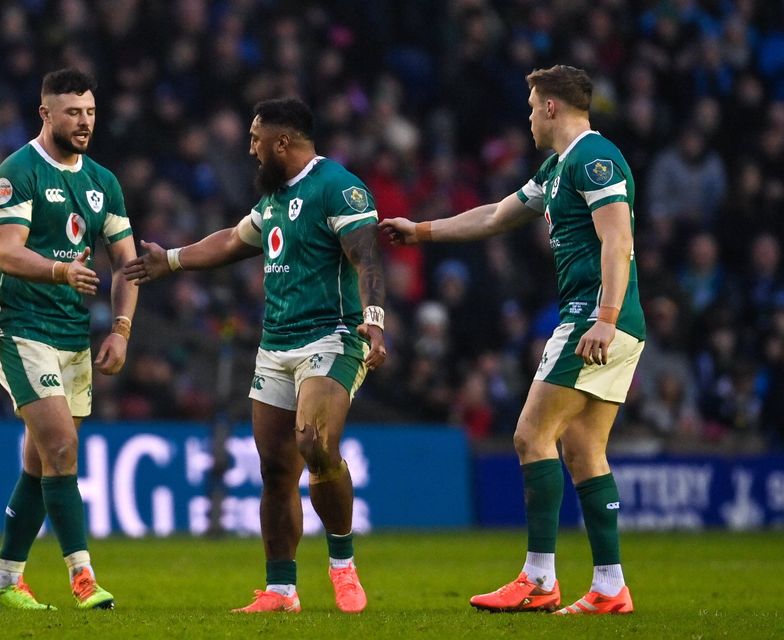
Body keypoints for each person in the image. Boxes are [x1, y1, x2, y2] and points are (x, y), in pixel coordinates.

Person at [381, 65, 645, 616]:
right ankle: (609, 587)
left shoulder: (595, 159)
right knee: (582, 449)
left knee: (530, 436)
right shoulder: (556, 169)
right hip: (606, 319)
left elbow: (617, 240)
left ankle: (539, 578)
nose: (527, 117)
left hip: (593, 318)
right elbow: (496, 216)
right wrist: (421, 230)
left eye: (531, 106)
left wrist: (604, 316)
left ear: (551, 106)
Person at [124, 97, 387, 614]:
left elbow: (366, 255)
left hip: (332, 335)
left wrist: (374, 320)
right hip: (276, 344)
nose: (249, 148)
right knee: (275, 469)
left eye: (255, 139)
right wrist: (172, 260)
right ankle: (281, 590)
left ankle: (342, 565)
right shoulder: (271, 201)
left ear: (281, 143)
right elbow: (230, 240)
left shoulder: (339, 187)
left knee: (314, 443)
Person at [0, 67, 139, 610]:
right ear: (44, 113)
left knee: (40, 462)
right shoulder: (16, 172)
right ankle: (83, 576)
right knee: (62, 447)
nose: (85, 121)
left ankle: (5, 582)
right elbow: (8, 251)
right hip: (21, 328)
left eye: (91, 112)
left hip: (74, 335)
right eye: (73, 112)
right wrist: (59, 271)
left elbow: (127, 264)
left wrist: (121, 328)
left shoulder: (104, 182)